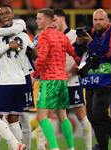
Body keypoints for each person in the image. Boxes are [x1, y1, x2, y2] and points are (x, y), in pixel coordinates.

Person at [0, 4, 38, 150]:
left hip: (6, 82)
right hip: (21, 80)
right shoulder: (23, 34)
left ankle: (16, 145)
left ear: (13, 14)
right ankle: (23, 147)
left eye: (6, 13)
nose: (4, 16)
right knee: (15, 120)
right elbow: (35, 54)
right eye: (1, 13)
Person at [31, 8, 81, 150]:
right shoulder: (62, 36)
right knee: (62, 116)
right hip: (62, 81)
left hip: (49, 80)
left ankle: (54, 148)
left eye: (39, 18)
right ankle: (71, 148)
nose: (36, 21)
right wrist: (84, 66)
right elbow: (75, 56)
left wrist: (34, 75)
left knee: (41, 117)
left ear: (48, 20)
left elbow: (42, 57)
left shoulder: (43, 36)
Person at [75, 9, 111, 150]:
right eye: (95, 20)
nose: (98, 23)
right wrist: (80, 41)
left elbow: (109, 55)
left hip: (107, 81)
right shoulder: (91, 33)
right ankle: (102, 147)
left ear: (107, 21)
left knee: (100, 113)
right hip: (91, 80)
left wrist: (91, 42)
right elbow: (77, 52)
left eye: (101, 20)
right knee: (93, 116)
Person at [51, 8, 92, 150]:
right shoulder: (51, 35)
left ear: (63, 19)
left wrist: (71, 71)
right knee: (54, 116)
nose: (52, 23)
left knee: (81, 115)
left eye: (54, 20)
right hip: (56, 81)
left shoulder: (76, 34)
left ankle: (88, 147)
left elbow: (85, 57)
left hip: (72, 80)